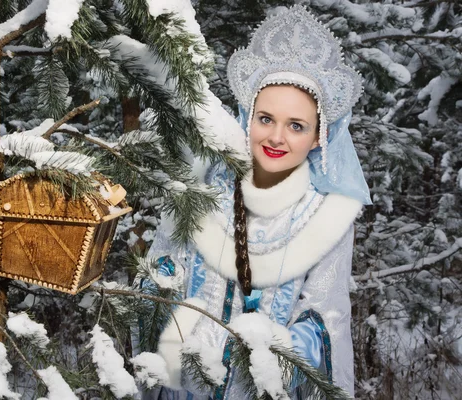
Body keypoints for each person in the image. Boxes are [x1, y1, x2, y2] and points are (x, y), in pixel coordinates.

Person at [142, 5, 371, 400]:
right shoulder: (204, 185)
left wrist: (264, 352)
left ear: (319, 136)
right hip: (184, 383)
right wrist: (165, 297)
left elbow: (324, 319)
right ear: (246, 116)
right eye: (265, 118)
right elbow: (161, 269)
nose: (276, 137)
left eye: (296, 125)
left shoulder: (325, 215)